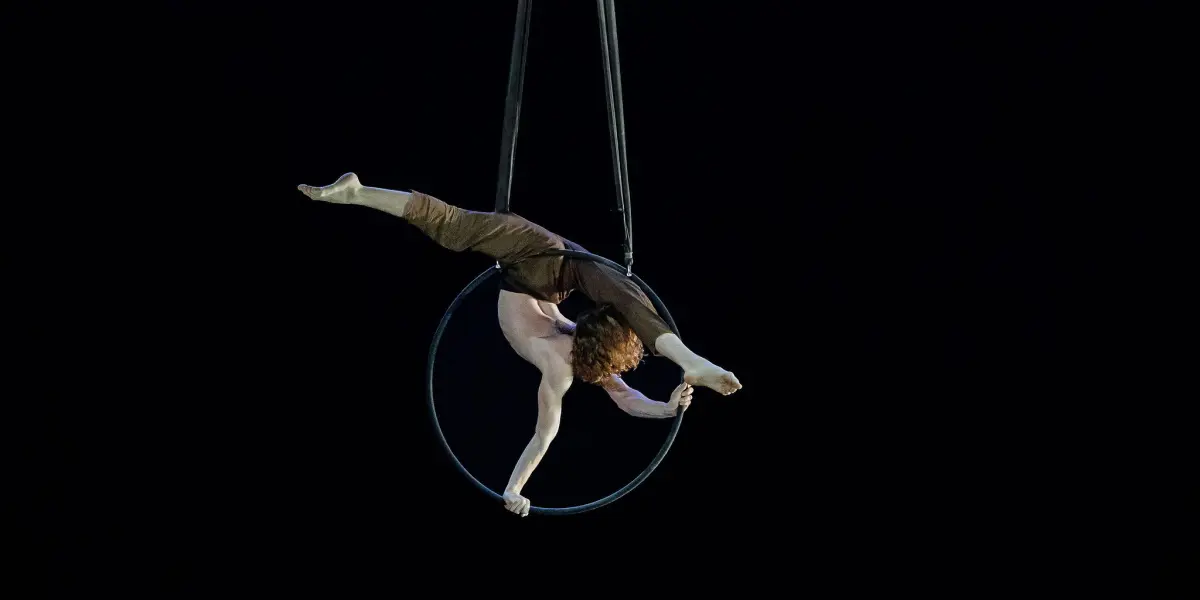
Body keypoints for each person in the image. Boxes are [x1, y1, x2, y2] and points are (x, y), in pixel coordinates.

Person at [298, 173, 742, 516]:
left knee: (621, 293)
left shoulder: (572, 345)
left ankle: (689, 359)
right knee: (457, 229)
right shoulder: (560, 366)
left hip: (553, 262)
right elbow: (544, 436)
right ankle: (356, 193)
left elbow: (625, 397)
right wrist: (514, 488)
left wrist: (665, 409)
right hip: (534, 265)